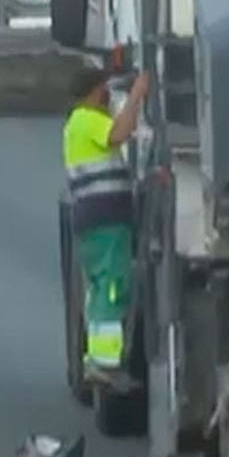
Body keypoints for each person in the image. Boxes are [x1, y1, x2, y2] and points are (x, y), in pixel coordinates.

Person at [63, 66, 149, 373]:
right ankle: (104, 361)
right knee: (112, 286)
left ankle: (99, 358)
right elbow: (119, 133)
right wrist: (137, 95)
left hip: (95, 218)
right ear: (94, 91)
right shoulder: (87, 119)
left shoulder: (78, 122)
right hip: (104, 218)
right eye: (105, 90)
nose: (107, 95)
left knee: (101, 285)